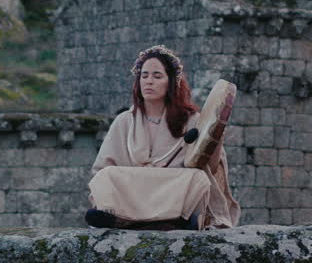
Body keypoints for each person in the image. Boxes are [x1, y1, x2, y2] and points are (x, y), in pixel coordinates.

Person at [86, 45, 240, 230]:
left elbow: (210, 167)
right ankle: (129, 218)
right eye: (144, 76)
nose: (149, 82)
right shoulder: (124, 121)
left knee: (197, 178)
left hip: (171, 190)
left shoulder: (192, 120)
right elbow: (102, 168)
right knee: (106, 176)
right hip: (134, 191)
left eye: (157, 76)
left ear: (171, 82)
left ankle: (173, 218)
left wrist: (216, 134)